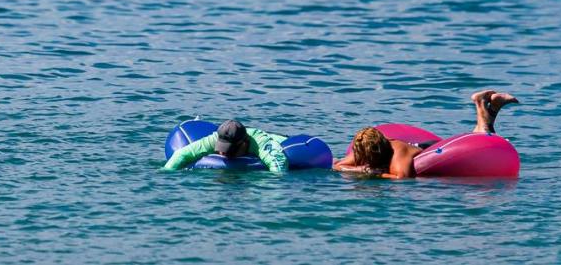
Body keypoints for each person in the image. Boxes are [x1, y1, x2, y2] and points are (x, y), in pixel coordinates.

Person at [333, 89, 519, 179]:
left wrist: (377, 174)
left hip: (427, 149)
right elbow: (338, 165)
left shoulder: (398, 152)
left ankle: (483, 105)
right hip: (416, 148)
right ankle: (489, 106)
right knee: (481, 133)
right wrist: (362, 170)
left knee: (482, 138)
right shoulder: (364, 147)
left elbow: (401, 178)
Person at [162, 119, 288, 172]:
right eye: (221, 148)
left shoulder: (260, 142)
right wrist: (165, 173)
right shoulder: (215, 137)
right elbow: (182, 153)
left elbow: (278, 163)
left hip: (280, 141)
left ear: (244, 144)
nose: (222, 153)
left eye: (229, 150)